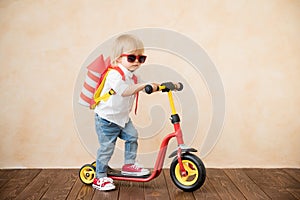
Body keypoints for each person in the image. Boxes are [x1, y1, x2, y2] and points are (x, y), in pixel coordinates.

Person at [92, 34, 159, 191]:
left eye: (141, 58)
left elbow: (141, 86)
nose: (137, 61)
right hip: (107, 119)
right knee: (107, 147)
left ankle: (129, 165)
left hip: (122, 118)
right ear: (117, 59)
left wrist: (157, 87)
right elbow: (124, 91)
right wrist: (144, 86)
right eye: (131, 58)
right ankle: (99, 177)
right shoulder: (114, 74)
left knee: (132, 136)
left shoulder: (133, 76)